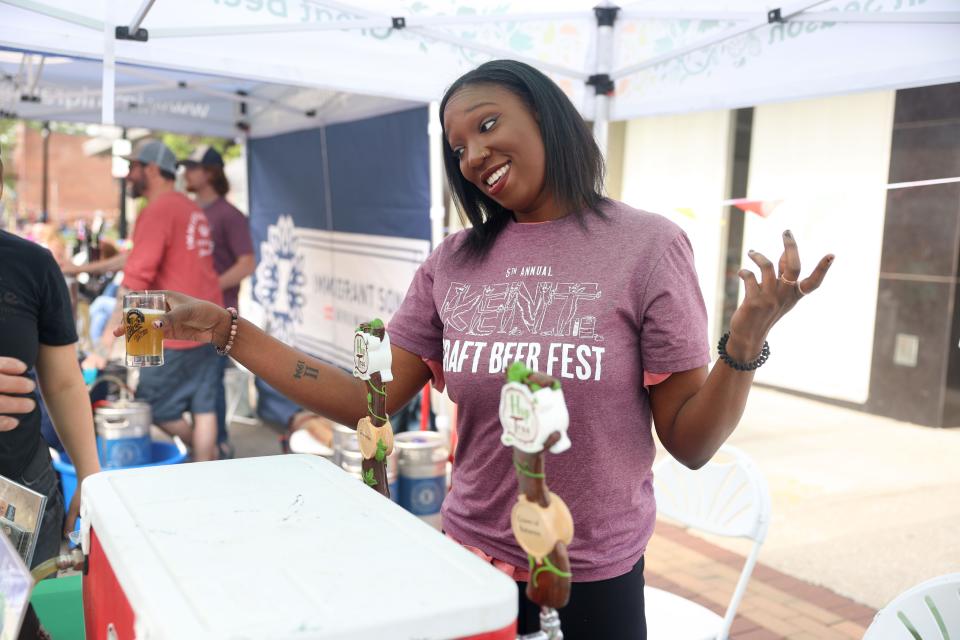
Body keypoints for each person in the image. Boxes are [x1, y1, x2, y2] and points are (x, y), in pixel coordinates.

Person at [120, 61, 833, 638]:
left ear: (547, 116)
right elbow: (364, 397)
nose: (474, 156)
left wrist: (743, 345)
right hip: (469, 563)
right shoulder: (453, 261)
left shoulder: (647, 245)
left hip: (594, 580)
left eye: (488, 126)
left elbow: (691, 441)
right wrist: (222, 328)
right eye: (457, 147)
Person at [0, 146, 101, 640]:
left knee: (25, 625)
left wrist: (90, 473)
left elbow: (61, 380)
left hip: (22, 492)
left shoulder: (32, 265)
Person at [92, 140, 223, 462]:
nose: (127, 176)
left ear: (151, 169)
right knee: (205, 408)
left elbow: (136, 279)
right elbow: (140, 259)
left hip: (175, 331)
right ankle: (209, 462)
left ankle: (204, 456)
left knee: (154, 406)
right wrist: (79, 268)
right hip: (213, 321)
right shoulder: (190, 207)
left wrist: (103, 346)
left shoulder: (157, 210)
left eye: (132, 167)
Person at [180, 145, 255, 458]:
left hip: (219, 316)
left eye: (193, 167)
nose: (186, 173)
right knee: (200, 387)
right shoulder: (190, 212)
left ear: (210, 172)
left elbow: (247, 263)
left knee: (209, 386)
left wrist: (208, 288)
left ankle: (218, 447)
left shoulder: (229, 215)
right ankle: (209, 447)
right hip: (193, 314)